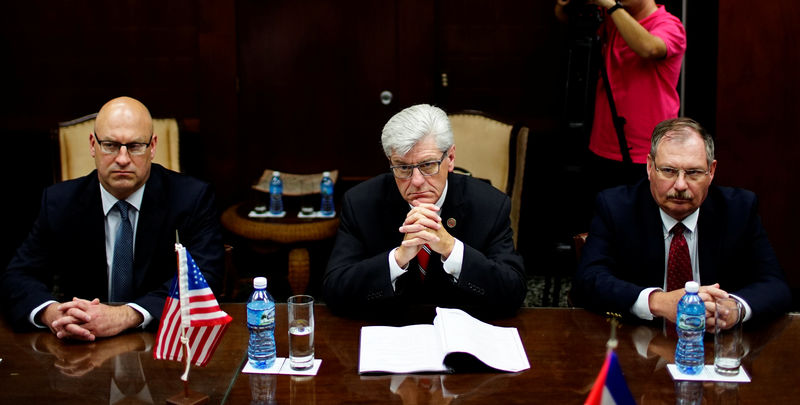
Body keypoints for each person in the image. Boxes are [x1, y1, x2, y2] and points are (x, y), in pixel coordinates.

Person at [1, 96, 224, 340]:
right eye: (110, 145)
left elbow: (205, 278)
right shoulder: (59, 202)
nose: (122, 159)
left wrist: (126, 316)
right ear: (92, 145)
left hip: (158, 344)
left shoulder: (191, 199)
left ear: (153, 147)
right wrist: (54, 314)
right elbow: (17, 277)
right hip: (80, 346)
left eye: (136, 146)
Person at [574, 118, 791, 329]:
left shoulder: (739, 210)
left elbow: (775, 285)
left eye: (693, 172)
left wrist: (734, 309)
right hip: (637, 345)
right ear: (650, 167)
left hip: (713, 348)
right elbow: (587, 281)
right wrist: (657, 301)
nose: (680, 185)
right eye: (668, 171)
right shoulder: (616, 207)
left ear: (711, 171)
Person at [323, 104, 526, 319]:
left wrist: (451, 249)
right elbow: (334, 291)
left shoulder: (489, 205)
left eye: (428, 165)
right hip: (389, 332)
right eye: (403, 168)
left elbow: (513, 293)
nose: (417, 181)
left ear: (451, 158)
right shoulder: (361, 203)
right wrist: (398, 258)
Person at [555, 0, 686, 192]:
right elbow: (567, 17)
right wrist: (562, 4)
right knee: (604, 216)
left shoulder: (668, 24)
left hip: (648, 151)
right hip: (603, 144)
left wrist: (612, 7)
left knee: (641, 218)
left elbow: (648, 48)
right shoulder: (612, 17)